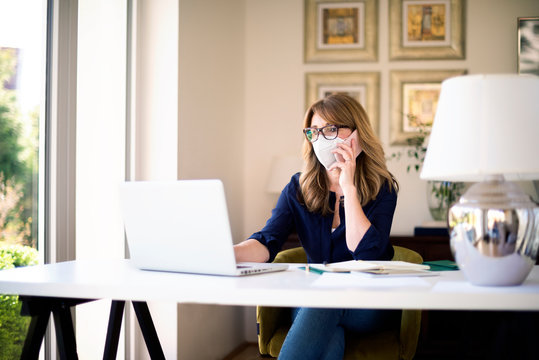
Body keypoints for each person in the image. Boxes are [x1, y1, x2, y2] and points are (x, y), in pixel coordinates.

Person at [234, 93, 400, 359]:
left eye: (331, 130)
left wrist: (349, 187)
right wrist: (226, 253)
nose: (321, 139)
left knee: (324, 300)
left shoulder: (383, 187)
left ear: (356, 134)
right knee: (327, 319)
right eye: (314, 132)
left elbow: (367, 253)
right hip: (313, 300)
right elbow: (267, 241)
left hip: (368, 302)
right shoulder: (298, 188)